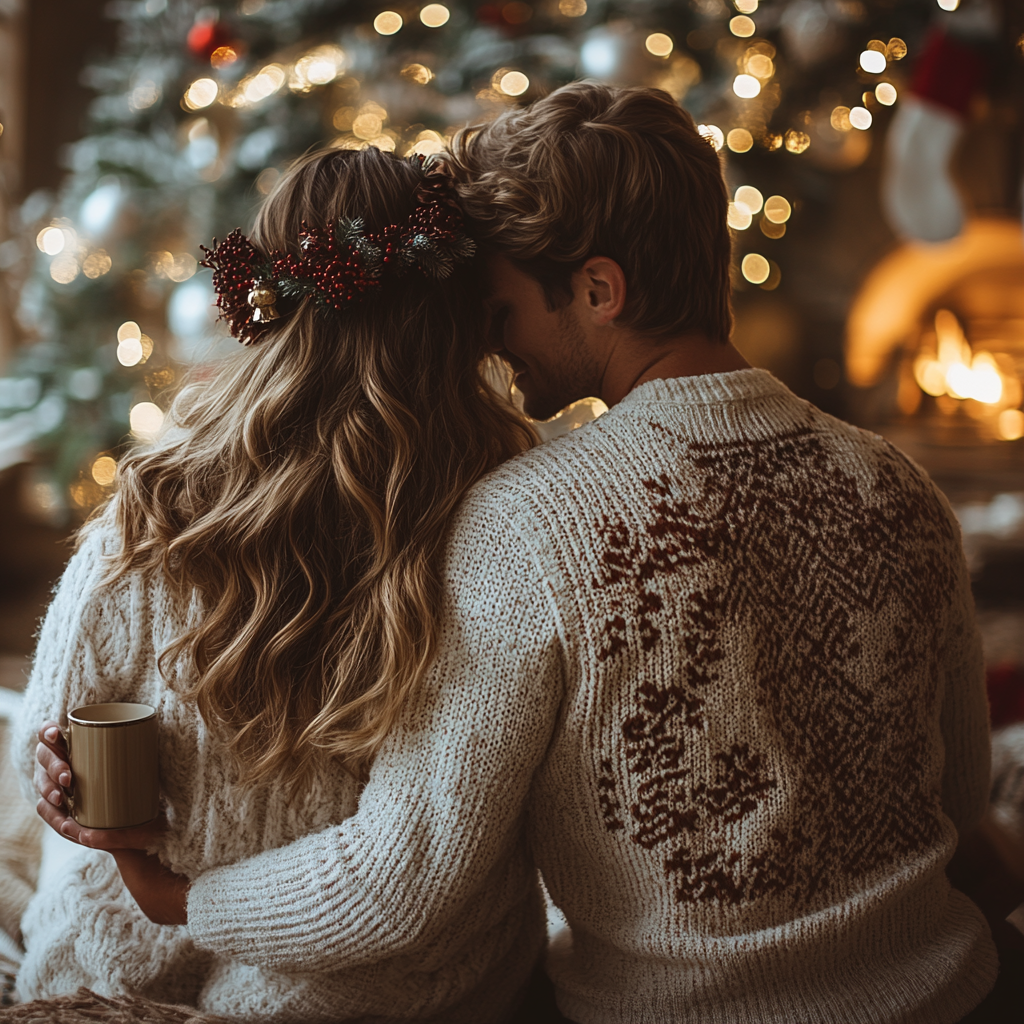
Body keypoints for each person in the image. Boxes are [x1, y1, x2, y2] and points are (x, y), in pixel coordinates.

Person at [33, 82, 997, 1024]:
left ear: (598, 289)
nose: (491, 353)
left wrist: (175, 899)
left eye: (499, 315)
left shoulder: (534, 523)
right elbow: (956, 805)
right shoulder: (900, 483)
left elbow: (397, 880)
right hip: (956, 986)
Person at [17, 146, 538, 1021]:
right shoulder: (510, 514)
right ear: (461, 308)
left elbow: (56, 724)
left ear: (258, 305)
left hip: (119, 962)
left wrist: (54, 778)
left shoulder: (158, 504)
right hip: (383, 987)